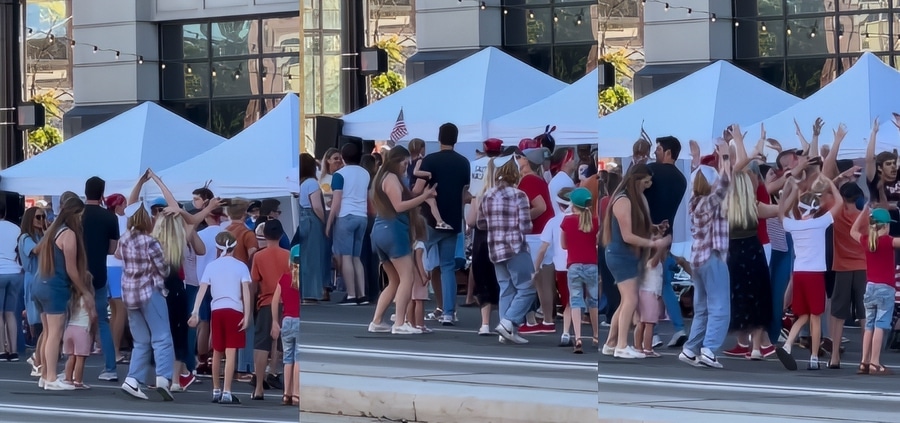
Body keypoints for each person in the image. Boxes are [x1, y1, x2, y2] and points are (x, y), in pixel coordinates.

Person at [368, 146, 437, 335]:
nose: (406, 168)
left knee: (394, 281)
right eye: (405, 163)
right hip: (393, 231)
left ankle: (377, 320)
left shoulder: (381, 178)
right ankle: (399, 322)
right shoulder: (390, 178)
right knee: (408, 277)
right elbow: (399, 206)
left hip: (381, 231)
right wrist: (424, 196)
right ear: (396, 161)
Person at [777, 175, 841, 371]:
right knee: (816, 316)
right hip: (815, 274)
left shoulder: (792, 225)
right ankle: (813, 357)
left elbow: (781, 211)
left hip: (799, 273)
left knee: (801, 314)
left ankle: (787, 345)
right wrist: (830, 182)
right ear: (816, 208)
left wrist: (794, 191)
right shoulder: (820, 222)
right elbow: (838, 203)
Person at [602, 164, 666, 359]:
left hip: (626, 254)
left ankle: (611, 343)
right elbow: (628, 235)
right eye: (646, 181)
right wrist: (652, 243)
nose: (649, 185)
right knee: (631, 299)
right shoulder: (623, 200)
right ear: (636, 179)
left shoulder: (633, 199)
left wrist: (654, 228)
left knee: (625, 302)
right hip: (620, 254)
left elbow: (635, 228)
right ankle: (622, 345)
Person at [678, 141, 731, 369]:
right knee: (720, 307)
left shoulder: (693, 201)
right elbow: (725, 184)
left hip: (697, 259)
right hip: (713, 256)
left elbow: (697, 179)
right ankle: (709, 350)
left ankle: (690, 349)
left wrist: (697, 159)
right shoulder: (709, 202)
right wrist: (726, 157)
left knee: (702, 308)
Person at [32, 197, 93, 391]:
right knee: (54, 334)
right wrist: (85, 291)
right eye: (81, 215)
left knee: (48, 332)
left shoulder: (52, 230)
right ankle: (50, 377)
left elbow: (36, 250)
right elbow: (72, 269)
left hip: (39, 283)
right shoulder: (68, 234)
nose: (81, 219)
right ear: (75, 214)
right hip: (55, 287)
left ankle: (44, 375)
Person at [412, 123, 470, 326]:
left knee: (418, 261)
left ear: (439, 138)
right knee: (447, 267)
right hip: (453, 219)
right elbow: (464, 192)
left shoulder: (430, 160)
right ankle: (448, 312)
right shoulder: (464, 163)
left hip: (428, 220)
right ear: (456, 139)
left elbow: (418, 190)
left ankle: (412, 309)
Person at [117, 200, 175, 401]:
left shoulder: (124, 239)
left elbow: (119, 257)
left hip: (129, 294)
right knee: (162, 336)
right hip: (150, 291)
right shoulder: (151, 242)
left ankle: (132, 380)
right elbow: (164, 268)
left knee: (140, 341)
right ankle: (163, 378)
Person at [476, 154, 535, 344]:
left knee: (506, 288)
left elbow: (480, 223)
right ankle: (509, 323)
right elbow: (526, 226)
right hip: (515, 246)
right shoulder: (520, 195)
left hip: (494, 247)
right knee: (528, 287)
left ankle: (507, 331)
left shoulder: (488, 194)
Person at [189, 231, 252, 405]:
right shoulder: (241, 266)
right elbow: (246, 293)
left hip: (217, 310)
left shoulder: (212, 266)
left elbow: (202, 290)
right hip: (235, 310)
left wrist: (195, 311)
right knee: (231, 352)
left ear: (218, 247)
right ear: (234, 246)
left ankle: (216, 389)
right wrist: (247, 315)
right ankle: (227, 391)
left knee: (217, 351)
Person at [642, 136, 688, 348]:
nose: (656, 153)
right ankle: (678, 327)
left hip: (646, 232)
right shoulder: (681, 179)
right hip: (666, 233)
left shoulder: (652, 170)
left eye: (659, 149)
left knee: (645, 283)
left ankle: (652, 331)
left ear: (668, 152)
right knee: (664, 283)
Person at [850, 207, 898, 375]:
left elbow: (853, 231)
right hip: (886, 289)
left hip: (869, 288)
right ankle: (875, 363)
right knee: (880, 325)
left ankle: (864, 361)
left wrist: (864, 212)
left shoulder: (865, 240)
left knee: (869, 325)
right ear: (885, 226)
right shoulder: (888, 241)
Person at [81, 176, 120, 382]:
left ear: (85, 191)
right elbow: (113, 249)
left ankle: (71, 368)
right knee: (103, 321)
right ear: (102, 193)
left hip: (78, 273)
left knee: (74, 320)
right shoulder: (110, 218)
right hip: (100, 273)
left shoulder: (77, 216)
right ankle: (110, 368)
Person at [326, 142, 371, 305]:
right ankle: (362, 294)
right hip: (362, 216)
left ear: (343, 157)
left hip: (346, 215)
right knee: (356, 257)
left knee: (346, 257)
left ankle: (351, 294)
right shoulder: (366, 173)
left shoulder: (339, 175)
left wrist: (329, 222)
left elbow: (336, 201)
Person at [250, 220, 290, 400]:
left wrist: (250, 307)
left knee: (261, 344)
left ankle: (259, 386)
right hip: (286, 303)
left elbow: (254, 282)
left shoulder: (259, 257)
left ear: (264, 236)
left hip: (266, 301)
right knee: (286, 345)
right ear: (281, 235)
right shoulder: (288, 255)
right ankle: (286, 387)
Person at [560, 187, 600, 354]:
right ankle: (596, 335)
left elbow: (563, 245)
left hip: (574, 265)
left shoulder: (567, 221)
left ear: (573, 204)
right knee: (593, 301)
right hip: (592, 264)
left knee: (576, 300)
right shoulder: (595, 221)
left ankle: (577, 337)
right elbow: (596, 242)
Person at [534, 188, 575, 347]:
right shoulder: (583, 219)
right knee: (587, 301)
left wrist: (535, 268)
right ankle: (595, 336)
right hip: (583, 263)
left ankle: (567, 332)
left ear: (559, 204)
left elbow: (543, 248)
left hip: (562, 267)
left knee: (568, 302)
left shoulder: (553, 222)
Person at [270, 244, 300, 406]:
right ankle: (296, 393)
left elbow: (275, 301)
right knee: (299, 358)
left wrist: (275, 321)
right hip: (300, 320)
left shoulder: (284, 278)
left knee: (288, 358)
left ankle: (286, 394)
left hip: (287, 320)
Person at [19, 207, 47, 375]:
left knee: (45, 319)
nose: (41, 219)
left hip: (43, 277)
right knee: (36, 318)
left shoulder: (40, 236)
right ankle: (37, 358)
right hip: (33, 278)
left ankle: (40, 357)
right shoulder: (26, 237)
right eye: (38, 216)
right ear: (30, 218)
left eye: (43, 216)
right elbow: (36, 250)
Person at [61, 282, 96, 389]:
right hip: (82, 329)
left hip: (70, 328)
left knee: (71, 357)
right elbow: (93, 316)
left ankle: (68, 379)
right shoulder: (88, 298)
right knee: (80, 358)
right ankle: (78, 381)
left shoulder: (72, 298)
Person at [0, 200, 23, 362]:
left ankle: (1, 350)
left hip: (0, 272)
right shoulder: (16, 228)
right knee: (10, 313)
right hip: (15, 272)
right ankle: (13, 351)